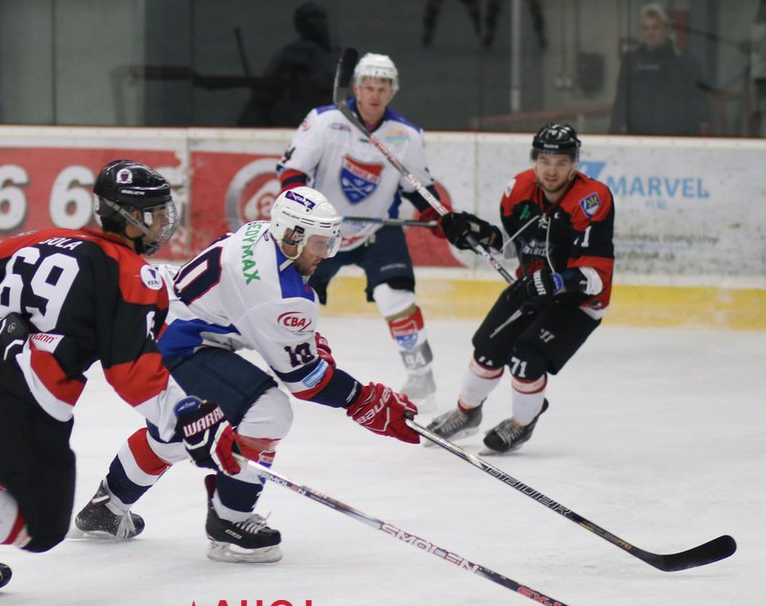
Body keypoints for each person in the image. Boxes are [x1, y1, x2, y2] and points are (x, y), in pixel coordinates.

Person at [0, 160, 239, 594]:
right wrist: (186, 412)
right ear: (132, 217)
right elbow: (131, 372)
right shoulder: (132, 274)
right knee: (42, 528)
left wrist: (6, 333)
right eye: (157, 213)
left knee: (16, 479)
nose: (165, 222)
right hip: (31, 399)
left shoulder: (34, 240)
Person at [75, 187, 422, 564]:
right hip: (176, 345)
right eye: (318, 244)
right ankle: (230, 521)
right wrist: (362, 399)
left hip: (156, 327)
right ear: (291, 236)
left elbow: (259, 321)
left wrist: (304, 343)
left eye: (329, 243)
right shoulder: (279, 293)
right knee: (268, 411)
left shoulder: (261, 232)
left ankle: (105, 509)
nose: (325, 254)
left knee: (178, 434)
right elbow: (305, 381)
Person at [425, 123, 614, 455]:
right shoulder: (518, 190)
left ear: (574, 164)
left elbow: (597, 275)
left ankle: (523, 422)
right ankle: (467, 413)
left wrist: (557, 281)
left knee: (526, 360)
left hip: (578, 301)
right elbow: (512, 246)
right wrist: (479, 234)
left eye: (561, 162)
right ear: (534, 160)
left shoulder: (591, 199)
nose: (551, 170)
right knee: (486, 352)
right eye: (544, 161)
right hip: (530, 288)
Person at [276, 52, 442, 404]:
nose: (375, 94)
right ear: (355, 88)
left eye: (382, 88)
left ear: (392, 91)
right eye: (369, 86)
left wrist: (443, 219)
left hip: (377, 229)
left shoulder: (406, 135)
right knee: (294, 299)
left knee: (395, 296)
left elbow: (418, 188)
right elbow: (292, 171)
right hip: (320, 230)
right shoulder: (324, 121)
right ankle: (289, 368)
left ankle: (421, 375)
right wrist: (300, 210)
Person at [609, 3, 709, 136]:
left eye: (655, 28)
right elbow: (621, 102)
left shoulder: (685, 62)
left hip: (674, 138)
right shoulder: (631, 61)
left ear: (668, 30)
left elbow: (699, 102)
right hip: (638, 137)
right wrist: (615, 134)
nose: (650, 33)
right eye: (645, 28)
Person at [236, 2, 336, 127]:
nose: (316, 23)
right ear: (300, 25)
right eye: (311, 18)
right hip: (295, 121)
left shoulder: (332, 55)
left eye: (319, 18)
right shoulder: (297, 52)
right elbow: (268, 90)